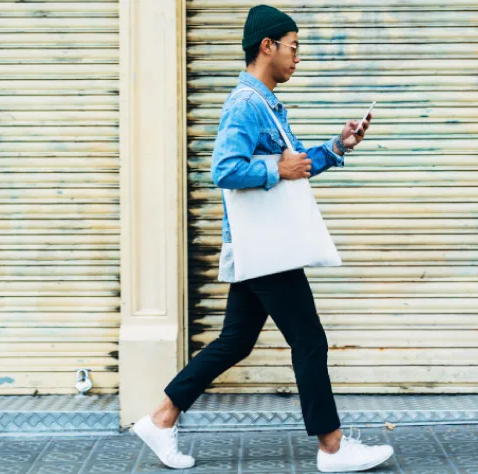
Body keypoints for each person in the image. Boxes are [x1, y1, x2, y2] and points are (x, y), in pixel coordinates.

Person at [132, 5, 395, 472]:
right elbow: (224, 169)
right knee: (309, 340)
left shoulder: (267, 105)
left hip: (262, 243)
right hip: (267, 246)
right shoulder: (246, 104)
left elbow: (296, 164)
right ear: (267, 46)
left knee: (236, 340)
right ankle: (332, 447)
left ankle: (162, 418)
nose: (298, 58)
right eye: (293, 48)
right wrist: (276, 168)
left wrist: (337, 146)